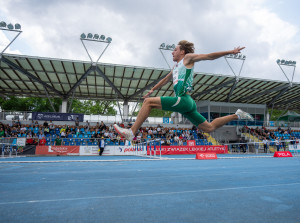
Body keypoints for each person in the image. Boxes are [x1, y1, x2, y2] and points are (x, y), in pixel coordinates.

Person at [114, 40, 253, 141]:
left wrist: (231, 51)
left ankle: (131, 132)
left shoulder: (187, 58)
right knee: (209, 128)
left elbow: (209, 56)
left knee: (148, 103)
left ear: (182, 51)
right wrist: (153, 89)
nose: (172, 52)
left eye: (175, 49)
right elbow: (166, 79)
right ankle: (237, 115)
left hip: (184, 99)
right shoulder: (176, 67)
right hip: (187, 104)